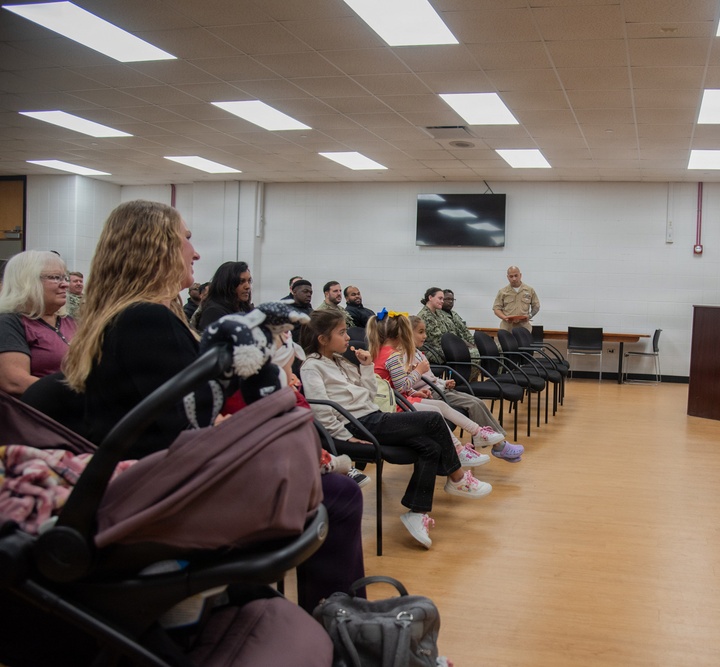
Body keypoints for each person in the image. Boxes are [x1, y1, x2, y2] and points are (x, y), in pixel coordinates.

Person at [61, 199, 365, 611]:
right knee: (341, 495)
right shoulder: (145, 320)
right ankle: (340, 620)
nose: (196, 252)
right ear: (156, 247)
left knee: (325, 481)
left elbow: (187, 416)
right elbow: (189, 426)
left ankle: (298, 612)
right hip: (167, 494)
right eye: (186, 239)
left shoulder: (124, 316)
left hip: (153, 480)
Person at [299, 308, 492, 549]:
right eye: (342, 332)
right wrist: (347, 437)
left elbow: (369, 396)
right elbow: (321, 411)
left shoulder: (341, 361)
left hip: (372, 416)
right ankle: (457, 476)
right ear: (322, 339)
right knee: (432, 419)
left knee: (430, 447)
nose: (348, 337)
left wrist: (367, 368)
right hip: (357, 425)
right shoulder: (311, 367)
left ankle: (417, 513)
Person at [366, 311, 503, 466]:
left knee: (441, 406)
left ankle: (477, 432)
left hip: (398, 399)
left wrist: (414, 392)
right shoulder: (392, 356)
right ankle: (458, 449)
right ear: (402, 334)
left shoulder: (380, 352)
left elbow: (390, 385)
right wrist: (418, 371)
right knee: (436, 412)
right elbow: (401, 385)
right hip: (394, 405)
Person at [0, 250, 78, 396]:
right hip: (40, 414)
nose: (65, 284)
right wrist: (75, 392)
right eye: (55, 278)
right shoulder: (9, 323)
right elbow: (14, 382)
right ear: (27, 282)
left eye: (65, 277)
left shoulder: (70, 322)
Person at [417, 287, 481, 370]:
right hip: (433, 351)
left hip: (444, 348)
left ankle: (465, 380)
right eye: (440, 298)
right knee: (474, 354)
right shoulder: (425, 316)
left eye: (443, 299)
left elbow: (449, 334)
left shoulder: (438, 314)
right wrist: (460, 347)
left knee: (475, 352)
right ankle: (461, 381)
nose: (442, 301)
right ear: (430, 298)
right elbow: (437, 341)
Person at [196, 261, 253, 331]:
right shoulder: (214, 313)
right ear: (227, 284)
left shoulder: (245, 309)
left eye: (249, 281)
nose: (248, 286)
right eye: (241, 281)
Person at [493, 265, 540, 332]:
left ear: (520, 275)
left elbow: (536, 306)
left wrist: (529, 316)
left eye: (516, 275)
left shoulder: (529, 290)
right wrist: (505, 318)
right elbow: (496, 309)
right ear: (507, 277)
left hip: (524, 328)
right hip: (507, 328)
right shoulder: (502, 292)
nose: (514, 278)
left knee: (524, 342)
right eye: (511, 276)